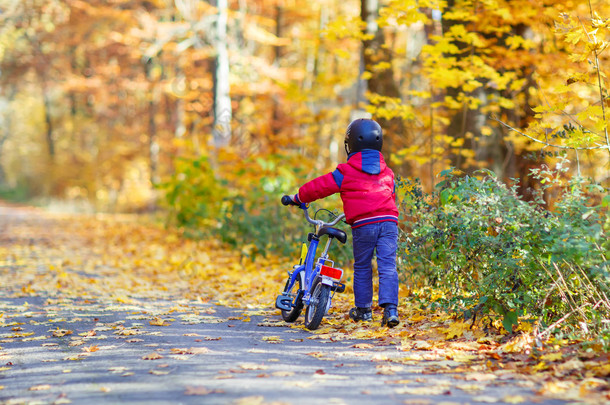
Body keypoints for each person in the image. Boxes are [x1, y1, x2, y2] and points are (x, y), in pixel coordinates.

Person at [287, 118, 400, 327]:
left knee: (363, 266)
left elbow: (319, 186)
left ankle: (364, 310)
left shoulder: (346, 172)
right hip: (389, 222)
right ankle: (391, 310)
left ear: (352, 145)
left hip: (364, 224)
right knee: (388, 266)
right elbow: (392, 194)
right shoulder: (388, 172)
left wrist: (298, 197)